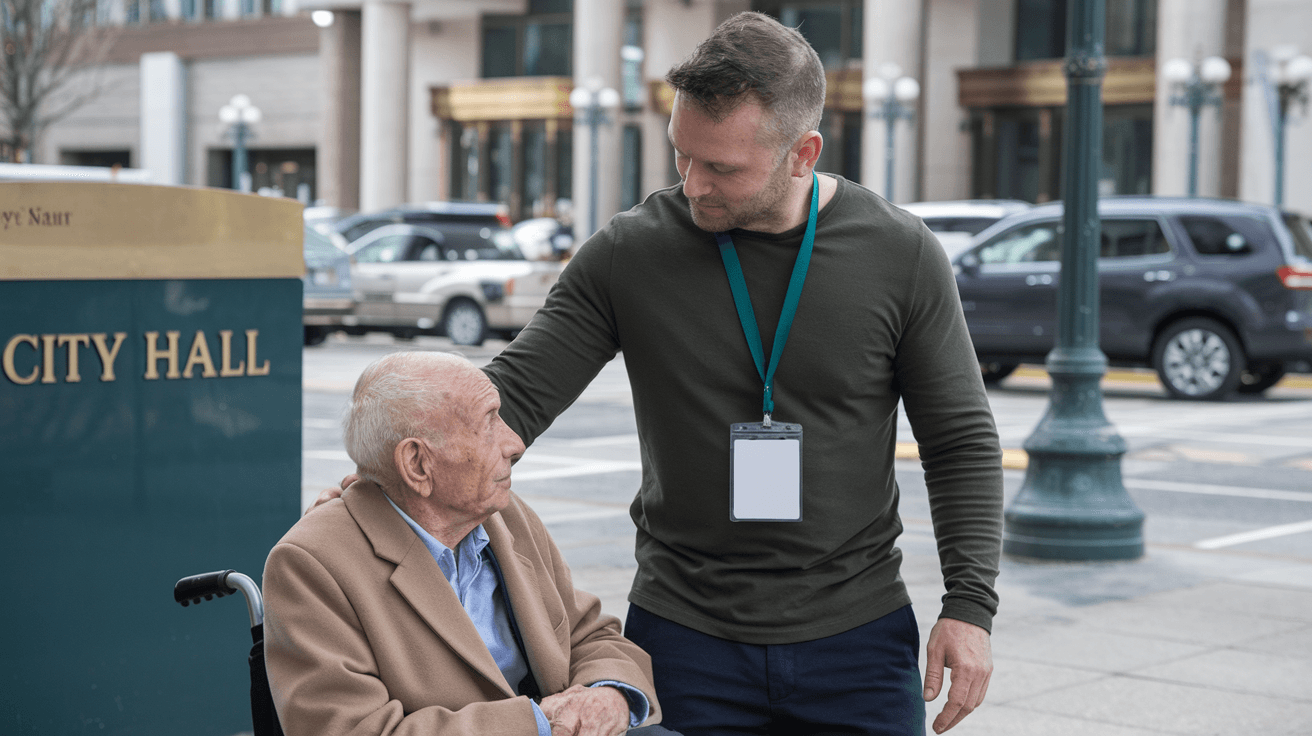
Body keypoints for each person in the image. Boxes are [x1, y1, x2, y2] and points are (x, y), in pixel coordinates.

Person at [318, 12, 1001, 735]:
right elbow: (513, 393)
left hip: (858, 637)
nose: (693, 184)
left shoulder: (900, 254)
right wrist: (388, 473)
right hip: (685, 635)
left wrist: (969, 605)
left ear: (802, 154)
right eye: (682, 156)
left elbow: (958, 440)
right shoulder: (630, 253)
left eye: (722, 168)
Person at [266, 351, 666, 736]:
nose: (515, 444)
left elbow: (589, 634)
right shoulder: (311, 563)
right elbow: (353, 729)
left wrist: (609, 694)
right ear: (418, 464)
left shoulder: (503, 515)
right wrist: (540, 722)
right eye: (489, 422)